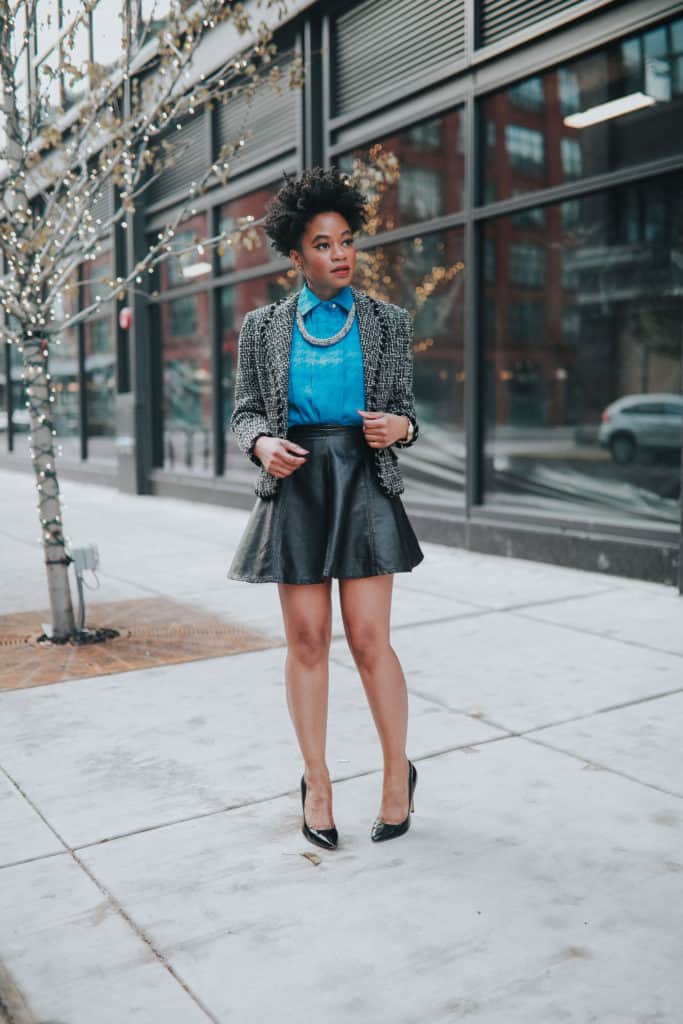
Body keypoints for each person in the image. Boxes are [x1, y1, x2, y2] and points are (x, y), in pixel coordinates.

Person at [227, 167, 423, 849]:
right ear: (295, 256)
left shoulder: (387, 323)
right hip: (298, 485)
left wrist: (400, 429)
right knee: (307, 642)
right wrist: (259, 445)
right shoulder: (261, 328)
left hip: (364, 484)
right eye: (322, 243)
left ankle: (397, 776)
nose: (340, 254)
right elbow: (244, 413)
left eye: (345, 240)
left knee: (369, 641)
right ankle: (316, 782)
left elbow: (404, 411)